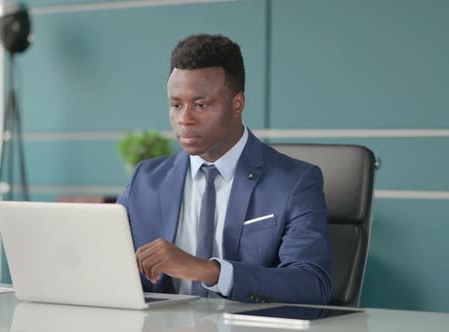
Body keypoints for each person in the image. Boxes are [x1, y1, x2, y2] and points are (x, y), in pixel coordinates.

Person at [117, 34, 331, 304]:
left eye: (201, 104)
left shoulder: (295, 182)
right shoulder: (146, 180)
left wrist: (209, 271)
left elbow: (312, 284)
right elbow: (108, 266)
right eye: (176, 105)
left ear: (237, 103)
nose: (185, 119)